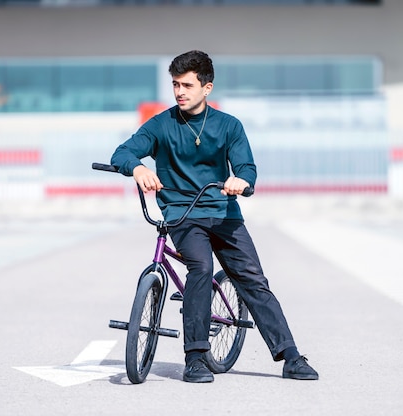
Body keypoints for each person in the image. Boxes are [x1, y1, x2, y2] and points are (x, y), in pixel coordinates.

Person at [111, 50, 318, 383]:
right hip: (182, 214)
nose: (180, 92)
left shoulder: (228, 126)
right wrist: (135, 166)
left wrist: (241, 181)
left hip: (223, 213)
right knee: (201, 266)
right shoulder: (162, 125)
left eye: (188, 85)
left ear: (207, 88)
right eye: (176, 84)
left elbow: (247, 167)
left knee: (252, 279)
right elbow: (123, 151)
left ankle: (291, 357)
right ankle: (195, 357)